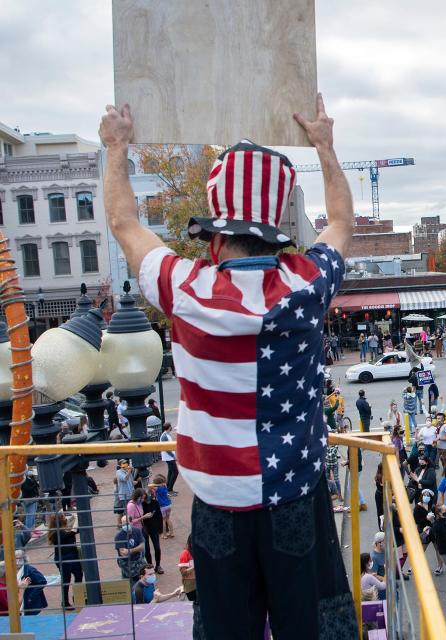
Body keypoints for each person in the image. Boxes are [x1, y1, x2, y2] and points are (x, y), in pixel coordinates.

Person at [102, 96, 358, 636]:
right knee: (309, 624)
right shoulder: (307, 284)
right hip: (294, 493)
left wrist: (116, 146)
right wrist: (326, 147)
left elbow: (124, 222)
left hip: (218, 503)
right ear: (275, 233)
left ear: (216, 239)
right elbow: (341, 221)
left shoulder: (184, 287)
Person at [47, 512, 82, 610]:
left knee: (79, 575)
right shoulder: (57, 532)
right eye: (63, 517)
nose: (65, 518)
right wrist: (77, 518)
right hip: (64, 558)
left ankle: (77, 597)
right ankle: (65, 602)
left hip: (72, 556)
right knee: (66, 580)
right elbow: (74, 531)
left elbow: (75, 530)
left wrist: (75, 520)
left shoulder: (63, 529)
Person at [141, 485, 165, 574]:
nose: (148, 498)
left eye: (151, 496)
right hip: (145, 528)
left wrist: (161, 530)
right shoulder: (141, 504)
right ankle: (150, 565)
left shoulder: (155, 503)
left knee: (157, 548)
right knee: (147, 549)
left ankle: (158, 565)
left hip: (154, 528)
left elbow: (159, 516)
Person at [158, 422, 178, 495]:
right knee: (175, 472)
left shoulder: (166, 435)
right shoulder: (164, 436)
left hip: (169, 457)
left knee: (170, 472)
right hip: (168, 457)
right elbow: (166, 448)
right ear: (169, 427)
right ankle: (169, 489)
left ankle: (169, 488)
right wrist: (173, 456)